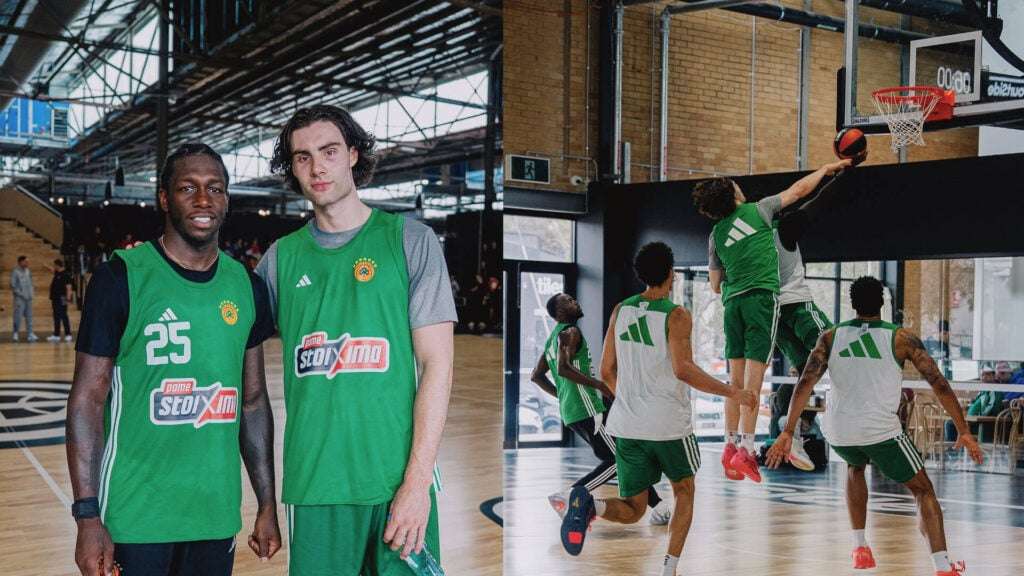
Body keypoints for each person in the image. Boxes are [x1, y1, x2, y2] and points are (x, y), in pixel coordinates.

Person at [258, 104, 457, 575]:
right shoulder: (279, 260)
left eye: (328, 151)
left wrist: (417, 484)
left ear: (352, 154)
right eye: (302, 157)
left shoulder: (411, 241)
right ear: (292, 169)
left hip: (397, 483)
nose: (317, 167)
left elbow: (437, 366)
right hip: (317, 485)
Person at [66, 143, 281, 576]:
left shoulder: (247, 286)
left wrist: (266, 503)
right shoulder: (120, 278)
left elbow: (254, 402)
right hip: (135, 515)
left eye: (215, 188)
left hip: (215, 514)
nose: (203, 200)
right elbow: (87, 400)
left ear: (227, 200)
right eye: (188, 188)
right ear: (164, 198)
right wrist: (87, 515)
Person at [560, 242, 757, 576]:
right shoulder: (676, 314)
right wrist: (733, 392)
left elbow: (606, 370)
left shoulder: (620, 310)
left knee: (635, 508)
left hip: (627, 424)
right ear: (671, 273)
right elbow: (684, 369)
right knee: (684, 491)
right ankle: (670, 569)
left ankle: (589, 502)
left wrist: (631, 399)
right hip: (668, 425)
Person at [767, 276, 982, 576]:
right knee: (923, 491)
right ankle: (943, 566)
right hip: (881, 431)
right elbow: (939, 383)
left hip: (839, 431)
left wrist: (788, 431)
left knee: (855, 467)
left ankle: (860, 547)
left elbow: (805, 382)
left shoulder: (830, 337)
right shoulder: (901, 338)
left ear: (852, 304)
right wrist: (964, 430)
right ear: (882, 302)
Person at [692, 158, 851, 482]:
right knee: (760, 382)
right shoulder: (761, 212)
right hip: (768, 303)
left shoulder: (716, 235)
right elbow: (801, 191)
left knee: (737, 384)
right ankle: (749, 449)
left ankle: (731, 445)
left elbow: (715, 284)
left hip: (733, 305)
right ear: (734, 194)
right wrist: (827, 170)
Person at [532, 292, 672, 526]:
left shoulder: (552, 340)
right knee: (619, 459)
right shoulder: (570, 332)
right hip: (588, 408)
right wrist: (598, 385)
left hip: (574, 411)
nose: (575, 301)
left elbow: (536, 376)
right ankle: (570, 495)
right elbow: (564, 368)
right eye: (569, 301)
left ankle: (659, 507)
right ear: (559, 312)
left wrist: (563, 396)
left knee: (623, 456)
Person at [10, 255, 37, 342]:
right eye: (26, 261)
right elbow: (13, 286)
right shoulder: (15, 272)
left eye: (27, 261)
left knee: (29, 317)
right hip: (20, 299)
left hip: (28, 298)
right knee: (18, 316)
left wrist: (32, 293)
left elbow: (31, 283)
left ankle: (30, 333)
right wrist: (21, 294)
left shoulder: (28, 271)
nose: (27, 263)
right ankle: (15, 333)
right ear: (20, 262)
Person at [47, 258, 74, 342]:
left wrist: (68, 298)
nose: (54, 267)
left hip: (62, 298)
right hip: (55, 299)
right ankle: (56, 335)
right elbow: (51, 270)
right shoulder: (57, 273)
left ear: (57, 265)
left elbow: (69, 287)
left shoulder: (66, 274)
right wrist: (45, 266)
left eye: (54, 265)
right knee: (56, 316)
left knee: (63, 316)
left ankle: (68, 334)